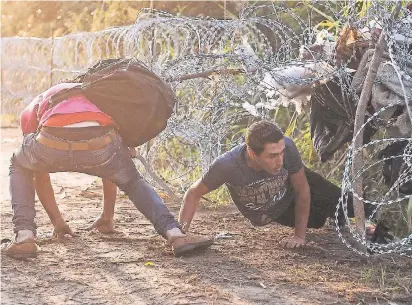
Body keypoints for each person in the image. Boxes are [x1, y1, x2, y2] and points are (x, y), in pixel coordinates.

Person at [2, 81, 213, 260]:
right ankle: (175, 234)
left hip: (51, 139)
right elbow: (112, 169)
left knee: (20, 164)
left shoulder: (38, 103)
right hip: (102, 142)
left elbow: (38, 171)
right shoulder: (96, 96)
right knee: (133, 181)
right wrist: (107, 216)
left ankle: (24, 235)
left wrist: (57, 221)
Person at [179, 120, 359, 249]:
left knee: (329, 192)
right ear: (251, 152)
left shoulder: (286, 147)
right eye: (272, 156)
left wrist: (299, 236)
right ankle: (337, 217)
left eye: (281, 153)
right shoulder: (227, 165)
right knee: (317, 220)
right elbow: (193, 193)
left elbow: (302, 189)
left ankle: (371, 216)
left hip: (291, 189)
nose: (280, 160)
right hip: (274, 210)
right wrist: (181, 234)